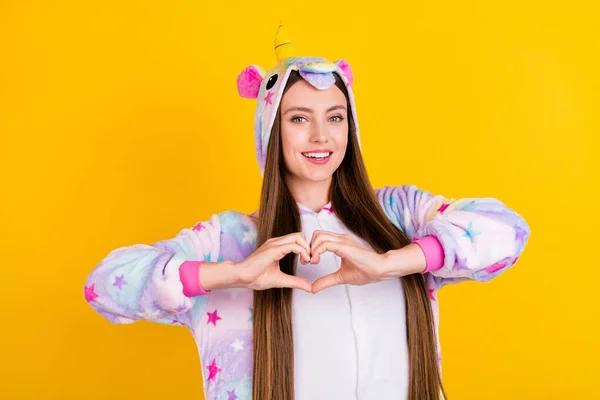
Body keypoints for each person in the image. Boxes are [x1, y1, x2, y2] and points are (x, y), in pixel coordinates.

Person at [84, 23, 530, 400]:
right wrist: (235, 274)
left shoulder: (398, 214)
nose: (321, 136)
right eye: (299, 119)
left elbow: (507, 231)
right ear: (271, 130)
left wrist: (388, 263)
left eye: (335, 117)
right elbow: (103, 286)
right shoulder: (231, 240)